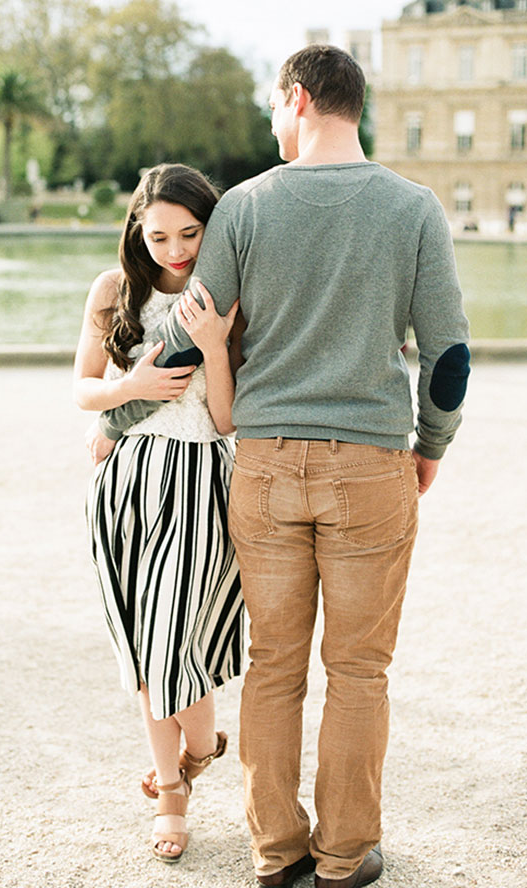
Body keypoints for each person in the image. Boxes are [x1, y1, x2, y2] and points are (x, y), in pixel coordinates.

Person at [90, 46, 470, 888]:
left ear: (298, 99)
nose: (272, 122)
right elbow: (448, 356)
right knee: (360, 671)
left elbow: (191, 333)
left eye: (274, 106)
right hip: (372, 463)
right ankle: (342, 857)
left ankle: (275, 849)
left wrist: (117, 416)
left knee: (273, 665)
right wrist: (430, 448)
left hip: (260, 467)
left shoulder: (248, 207)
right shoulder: (413, 208)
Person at [73, 163, 245, 864]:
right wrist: (129, 384)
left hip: (202, 480)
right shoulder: (114, 290)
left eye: (190, 233)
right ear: (137, 233)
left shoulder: (226, 296)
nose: (174, 250)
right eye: (158, 236)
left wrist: (211, 347)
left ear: (211, 228)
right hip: (125, 487)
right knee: (149, 654)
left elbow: (230, 418)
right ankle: (172, 796)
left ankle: (200, 751)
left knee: (176, 646)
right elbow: (82, 391)